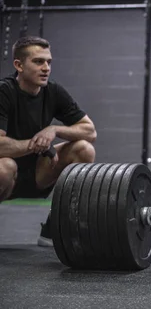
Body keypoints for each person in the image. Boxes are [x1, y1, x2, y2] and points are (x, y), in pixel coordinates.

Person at [0, 36, 97, 247]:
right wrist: (38, 145)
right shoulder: (4, 92)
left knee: (83, 149)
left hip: (37, 172)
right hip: (7, 177)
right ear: (19, 65)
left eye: (49, 62)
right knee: (4, 167)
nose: (46, 68)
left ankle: (55, 227)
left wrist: (54, 129)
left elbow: (90, 131)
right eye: (38, 62)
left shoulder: (53, 91)